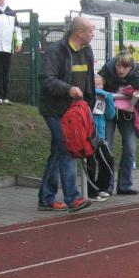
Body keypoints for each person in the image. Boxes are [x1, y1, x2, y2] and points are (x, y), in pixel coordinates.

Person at [37, 16, 95, 213]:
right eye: (90, 31)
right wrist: (68, 89)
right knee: (67, 148)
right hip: (55, 110)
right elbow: (46, 78)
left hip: (76, 111)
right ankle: (73, 198)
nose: (93, 34)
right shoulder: (56, 51)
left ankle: (46, 198)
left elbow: (88, 80)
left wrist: (88, 105)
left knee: (57, 152)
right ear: (79, 32)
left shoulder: (87, 51)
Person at [99, 50, 139, 195]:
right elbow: (97, 84)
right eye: (118, 66)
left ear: (131, 67)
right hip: (108, 112)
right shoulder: (107, 70)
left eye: (125, 67)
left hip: (128, 113)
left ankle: (124, 185)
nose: (121, 70)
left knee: (130, 148)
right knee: (106, 147)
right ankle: (106, 185)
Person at [87, 74, 116, 202]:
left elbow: (110, 115)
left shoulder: (105, 97)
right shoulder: (88, 97)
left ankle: (102, 187)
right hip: (89, 135)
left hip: (101, 135)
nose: (98, 87)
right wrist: (97, 92)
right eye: (95, 85)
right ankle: (91, 191)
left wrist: (109, 99)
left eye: (100, 84)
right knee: (91, 162)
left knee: (108, 160)